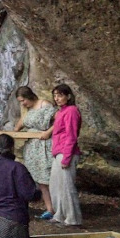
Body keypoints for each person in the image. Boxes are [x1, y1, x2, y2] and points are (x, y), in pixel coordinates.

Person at [38, 83, 83, 226]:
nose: (57, 98)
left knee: (66, 186)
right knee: (56, 185)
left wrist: (67, 157)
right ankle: (60, 215)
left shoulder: (71, 111)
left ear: (68, 96)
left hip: (66, 153)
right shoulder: (62, 112)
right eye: (55, 95)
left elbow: (71, 135)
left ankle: (72, 219)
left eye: (60, 95)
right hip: (58, 152)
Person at [13, 86, 56, 220]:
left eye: (23, 100)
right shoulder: (28, 110)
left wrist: (47, 133)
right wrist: (15, 131)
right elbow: (23, 121)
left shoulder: (44, 104)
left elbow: (58, 121)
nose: (22, 103)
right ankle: (50, 209)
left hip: (45, 145)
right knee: (40, 180)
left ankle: (60, 208)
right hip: (32, 147)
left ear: (29, 96)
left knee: (49, 177)